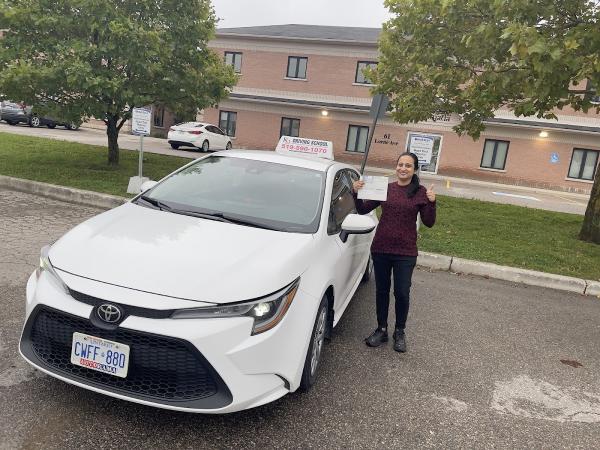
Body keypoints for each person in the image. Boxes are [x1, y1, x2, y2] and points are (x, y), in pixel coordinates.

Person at [352, 152, 436, 352]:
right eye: (400, 165)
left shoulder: (421, 192)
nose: (403, 169)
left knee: (401, 293)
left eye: (408, 165)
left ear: (414, 169)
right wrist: (355, 193)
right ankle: (381, 329)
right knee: (381, 291)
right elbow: (363, 210)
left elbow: (429, 222)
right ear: (396, 167)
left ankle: (400, 331)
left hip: (405, 252)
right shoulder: (385, 189)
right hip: (381, 248)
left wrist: (432, 202)